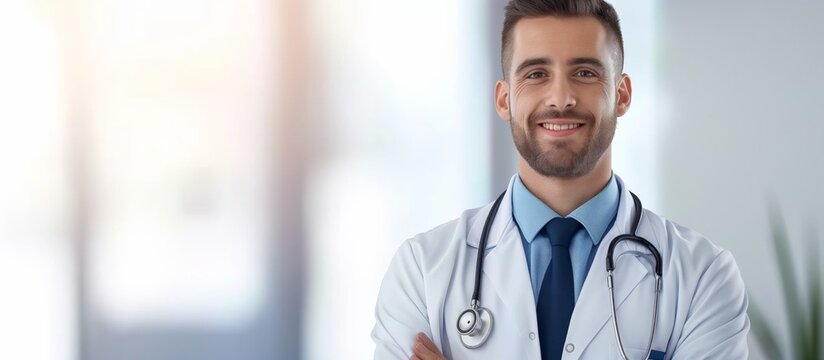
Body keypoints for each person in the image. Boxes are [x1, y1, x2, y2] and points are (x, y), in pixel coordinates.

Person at [371, 0, 750, 359]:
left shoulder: (703, 275)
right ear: (504, 100)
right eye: (536, 74)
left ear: (622, 94)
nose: (561, 97)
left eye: (584, 73)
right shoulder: (422, 270)